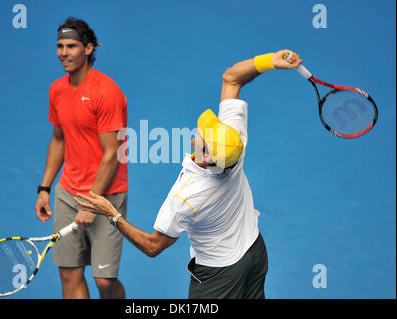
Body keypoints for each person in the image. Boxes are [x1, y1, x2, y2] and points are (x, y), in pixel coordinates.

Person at [74, 50, 302, 298]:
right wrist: (272, 60)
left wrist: (112, 214)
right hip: (255, 252)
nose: (200, 130)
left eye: (205, 133)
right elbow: (232, 79)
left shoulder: (185, 198)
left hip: (220, 275)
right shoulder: (234, 146)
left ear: (205, 157)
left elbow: (152, 246)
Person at [35, 17, 128, 299]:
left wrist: (91, 203)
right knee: (70, 275)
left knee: (104, 280)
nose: (64, 53)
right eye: (60, 46)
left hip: (106, 195)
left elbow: (112, 155)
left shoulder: (107, 92)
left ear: (88, 49)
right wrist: (44, 188)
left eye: (72, 46)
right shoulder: (57, 90)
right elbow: (58, 139)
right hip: (68, 193)